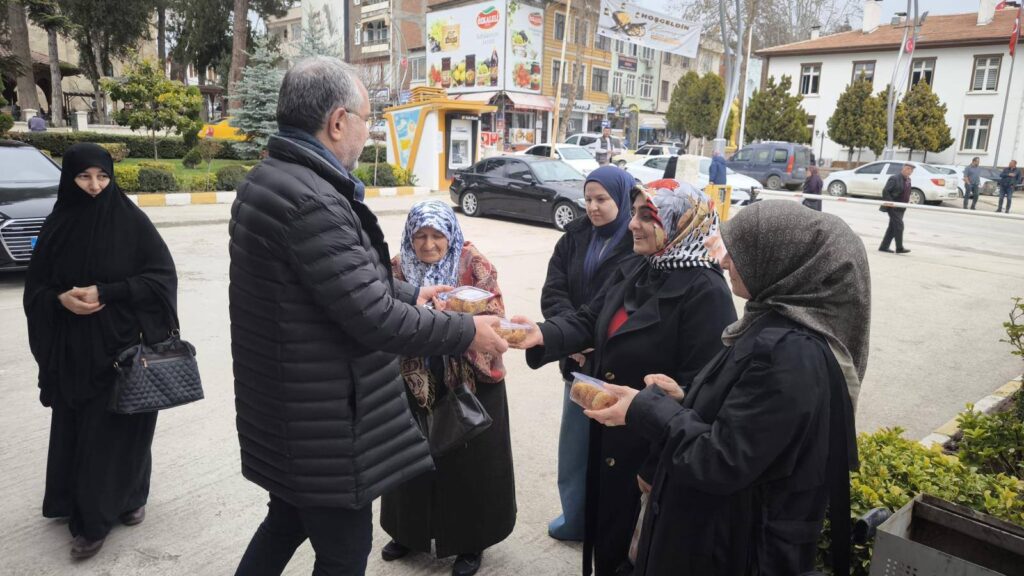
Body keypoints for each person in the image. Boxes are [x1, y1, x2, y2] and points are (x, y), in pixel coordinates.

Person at [229, 57, 508, 576]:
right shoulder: (312, 200)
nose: (368, 129)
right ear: (338, 122)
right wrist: (468, 329)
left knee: (286, 520)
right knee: (342, 553)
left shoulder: (269, 179)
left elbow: (337, 282)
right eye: (366, 117)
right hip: (324, 423)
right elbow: (373, 320)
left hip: (288, 409)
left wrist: (410, 294)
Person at [583, 200, 866, 576]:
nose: (725, 261)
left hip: (732, 550)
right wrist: (686, 397)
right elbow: (750, 419)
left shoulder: (790, 354)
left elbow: (721, 459)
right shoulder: (774, 327)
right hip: (721, 537)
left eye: (741, 252)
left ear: (781, 264)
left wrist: (644, 409)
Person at [513, 180, 737, 576]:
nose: (633, 224)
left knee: (637, 555)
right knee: (608, 543)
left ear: (682, 222)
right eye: (634, 213)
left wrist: (653, 469)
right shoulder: (637, 267)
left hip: (653, 453)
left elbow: (703, 390)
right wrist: (542, 334)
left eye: (647, 216)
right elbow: (588, 319)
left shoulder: (706, 292)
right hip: (610, 439)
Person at [23, 143, 179, 559]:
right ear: (68, 178)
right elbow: (35, 286)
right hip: (73, 349)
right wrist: (59, 300)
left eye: (103, 177)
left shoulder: (131, 222)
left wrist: (107, 291)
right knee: (81, 428)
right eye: (84, 177)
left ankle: (101, 519)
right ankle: (77, 501)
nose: (94, 186)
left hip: (122, 347)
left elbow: (161, 279)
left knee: (120, 428)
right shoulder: (57, 225)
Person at [379, 200, 516, 576]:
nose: (427, 245)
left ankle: (470, 541)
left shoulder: (474, 263)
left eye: (436, 235)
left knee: (468, 464)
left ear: (450, 234)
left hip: (469, 380)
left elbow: (497, 316)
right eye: (419, 235)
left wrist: (454, 319)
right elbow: (380, 316)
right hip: (412, 378)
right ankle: (407, 532)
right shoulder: (394, 268)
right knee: (408, 458)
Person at [540, 166, 639, 542]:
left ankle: (609, 525)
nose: (593, 208)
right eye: (588, 199)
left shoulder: (636, 242)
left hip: (614, 359)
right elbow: (554, 289)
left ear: (623, 199)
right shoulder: (575, 235)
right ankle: (576, 518)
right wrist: (572, 338)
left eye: (602, 200)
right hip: (577, 358)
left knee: (612, 448)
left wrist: (589, 336)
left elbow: (623, 300)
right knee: (576, 446)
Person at [879, 163, 913, 254]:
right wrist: (891, 203)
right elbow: (885, 191)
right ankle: (899, 248)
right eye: (908, 169)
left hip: (902, 208)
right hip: (893, 207)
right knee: (899, 226)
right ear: (904, 169)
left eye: (911, 170)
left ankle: (884, 246)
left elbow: (907, 192)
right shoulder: (894, 178)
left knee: (892, 228)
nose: (910, 172)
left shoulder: (908, 180)